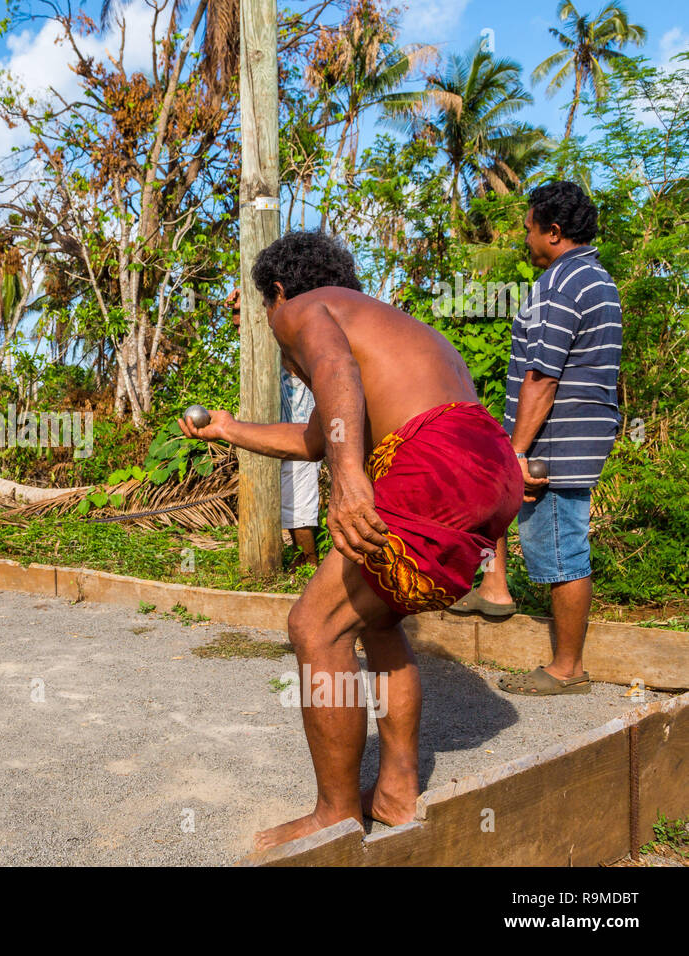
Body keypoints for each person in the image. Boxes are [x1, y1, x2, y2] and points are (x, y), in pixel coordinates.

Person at [181, 232, 521, 852]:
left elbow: (333, 376)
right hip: (489, 465)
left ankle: (335, 815)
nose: (268, 321)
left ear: (279, 289)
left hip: (434, 462)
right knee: (379, 621)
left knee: (316, 626)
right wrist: (231, 430)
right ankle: (394, 792)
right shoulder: (390, 325)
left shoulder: (300, 307)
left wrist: (349, 478)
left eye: (264, 306)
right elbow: (320, 433)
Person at [449, 182, 622, 696]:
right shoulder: (593, 278)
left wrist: (520, 450)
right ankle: (495, 586)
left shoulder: (561, 286)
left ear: (554, 232)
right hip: (565, 433)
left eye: (529, 228)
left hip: (551, 442)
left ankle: (567, 668)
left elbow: (543, 377)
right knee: (495, 498)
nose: (525, 237)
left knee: (560, 548)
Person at [228, 288, 320, 566]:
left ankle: (309, 561)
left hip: (299, 429)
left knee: (299, 498)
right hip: (275, 429)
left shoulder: (282, 336)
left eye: (239, 315)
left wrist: (249, 297)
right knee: (287, 497)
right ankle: (299, 558)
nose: (236, 323)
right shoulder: (260, 349)